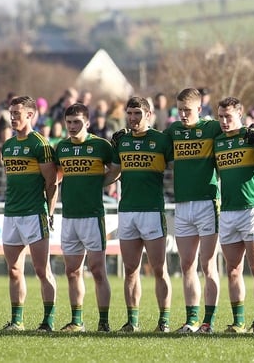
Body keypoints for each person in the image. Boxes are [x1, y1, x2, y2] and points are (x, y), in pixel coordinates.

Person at [54, 103, 120, 332]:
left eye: (77, 122)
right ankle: (77, 321)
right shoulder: (61, 148)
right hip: (69, 217)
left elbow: (116, 168)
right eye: (69, 122)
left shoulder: (101, 146)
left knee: (98, 270)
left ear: (88, 123)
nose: (72, 126)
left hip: (93, 217)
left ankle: (103, 322)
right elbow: (58, 175)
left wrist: (99, 182)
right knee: (71, 271)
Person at [112, 96, 173, 333]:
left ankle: (164, 322)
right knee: (130, 270)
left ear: (148, 115)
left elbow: (183, 164)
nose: (132, 118)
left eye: (137, 113)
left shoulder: (161, 140)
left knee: (159, 269)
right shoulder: (122, 141)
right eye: (129, 113)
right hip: (127, 212)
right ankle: (132, 322)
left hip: (152, 211)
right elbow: (114, 172)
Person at [165, 87, 223, 333]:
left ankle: (208, 322)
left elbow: (236, 128)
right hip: (183, 204)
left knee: (208, 264)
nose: (183, 115)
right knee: (186, 264)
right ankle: (191, 320)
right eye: (179, 110)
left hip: (208, 203)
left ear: (200, 109)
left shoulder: (211, 128)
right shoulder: (174, 131)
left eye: (187, 110)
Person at [0, 96, 59, 332]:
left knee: (42, 270)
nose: (13, 117)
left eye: (17, 113)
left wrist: (50, 212)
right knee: (13, 269)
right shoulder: (7, 146)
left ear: (30, 115)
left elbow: (52, 182)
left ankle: (48, 321)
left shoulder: (40, 145)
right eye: (11, 113)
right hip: (11, 214)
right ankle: (17, 321)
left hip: (35, 213)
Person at [213, 97, 254, 333]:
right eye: (221, 117)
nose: (224, 122)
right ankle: (238, 321)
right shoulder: (217, 142)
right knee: (233, 269)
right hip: (228, 210)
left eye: (229, 117)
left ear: (240, 114)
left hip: (252, 208)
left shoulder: (252, 137)